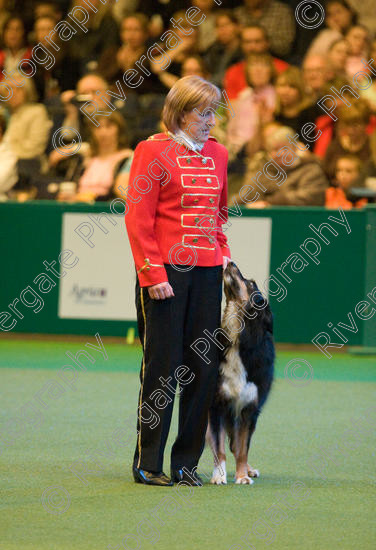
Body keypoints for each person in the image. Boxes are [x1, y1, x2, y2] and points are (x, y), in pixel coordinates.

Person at [125, 76, 231, 487]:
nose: (211, 120)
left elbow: (218, 214)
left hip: (206, 272)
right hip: (164, 274)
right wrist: (151, 272)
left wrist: (222, 256)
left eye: (214, 111)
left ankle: (187, 462)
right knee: (162, 369)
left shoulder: (219, 154)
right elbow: (138, 218)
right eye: (204, 112)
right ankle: (147, 462)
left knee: (203, 368)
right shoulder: (151, 151)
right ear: (181, 112)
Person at [240, 126, 328, 206]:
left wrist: (269, 202)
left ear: (294, 148)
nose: (280, 153)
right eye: (275, 149)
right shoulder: (263, 172)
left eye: (284, 149)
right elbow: (244, 197)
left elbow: (309, 198)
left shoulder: (311, 170)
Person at [58, 112, 132, 203]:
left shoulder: (128, 158)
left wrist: (91, 198)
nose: (103, 132)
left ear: (119, 130)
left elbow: (120, 192)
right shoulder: (85, 157)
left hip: (106, 211)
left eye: (108, 127)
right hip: (77, 207)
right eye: (98, 127)